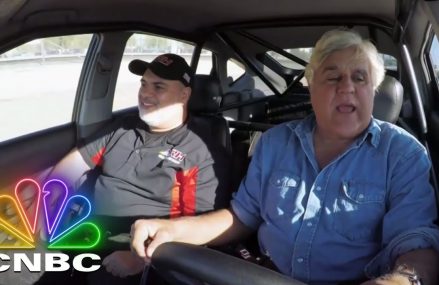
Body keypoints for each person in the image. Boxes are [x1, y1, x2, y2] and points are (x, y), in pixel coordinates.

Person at [130, 30, 439, 285]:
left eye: (360, 78)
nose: (347, 88)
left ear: (373, 89)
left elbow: (415, 244)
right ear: (311, 85)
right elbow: (241, 217)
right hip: (258, 275)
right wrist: (172, 229)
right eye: (333, 78)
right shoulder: (275, 142)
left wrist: (400, 281)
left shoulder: (402, 154)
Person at [34, 53, 231, 284]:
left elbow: (201, 225)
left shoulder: (201, 151)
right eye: (144, 84)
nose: (146, 93)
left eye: (159, 87)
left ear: (184, 95)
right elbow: (74, 164)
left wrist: (140, 257)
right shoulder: (123, 127)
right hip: (86, 235)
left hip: (142, 252)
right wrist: (45, 206)